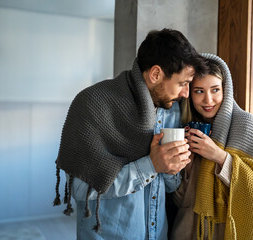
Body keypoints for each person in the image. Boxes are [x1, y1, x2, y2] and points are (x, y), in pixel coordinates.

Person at [53, 28, 207, 239]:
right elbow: (81, 190)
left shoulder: (171, 110)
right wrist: (150, 166)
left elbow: (169, 186)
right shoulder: (92, 104)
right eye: (182, 84)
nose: (186, 93)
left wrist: (173, 167)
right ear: (155, 74)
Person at [170, 53, 253, 240]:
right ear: (188, 93)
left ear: (225, 91)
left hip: (226, 233)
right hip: (185, 232)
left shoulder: (245, 124)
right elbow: (179, 201)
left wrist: (220, 157)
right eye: (199, 91)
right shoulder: (183, 128)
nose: (208, 100)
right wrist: (187, 164)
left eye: (215, 90)